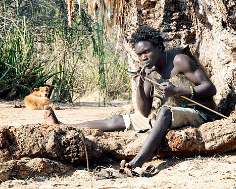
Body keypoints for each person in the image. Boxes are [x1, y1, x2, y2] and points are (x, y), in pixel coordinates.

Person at [44, 25, 216, 172]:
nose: (143, 57)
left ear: (158, 47)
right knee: (118, 120)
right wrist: (139, 85)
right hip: (168, 115)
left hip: (197, 113)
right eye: (140, 54)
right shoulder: (149, 71)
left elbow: (210, 88)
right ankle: (63, 126)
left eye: (147, 52)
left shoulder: (179, 60)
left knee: (164, 111)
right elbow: (145, 111)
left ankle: (137, 162)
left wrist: (178, 91)